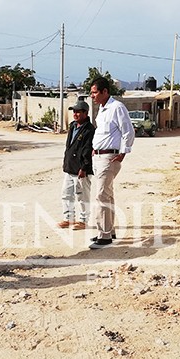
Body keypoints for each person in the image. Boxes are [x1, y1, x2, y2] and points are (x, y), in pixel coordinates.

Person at [88, 77, 135, 249]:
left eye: (94, 92)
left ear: (105, 91)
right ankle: (109, 231)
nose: (92, 96)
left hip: (109, 158)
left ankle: (104, 235)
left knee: (101, 195)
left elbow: (128, 131)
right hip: (99, 157)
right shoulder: (101, 109)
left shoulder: (117, 107)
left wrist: (123, 152)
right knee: (107, 194)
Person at [58, 100, 95, 231]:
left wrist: (84, 168)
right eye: (74, 111)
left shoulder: (89, 130)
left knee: (82, 195)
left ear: (85, 113)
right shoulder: (73, 126)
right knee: (66, 194)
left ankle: (83, 220)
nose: (75, 114)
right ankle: (69, 218)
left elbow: (87, 149)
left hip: (81, 169)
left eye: (78, 112)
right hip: (70, 167)